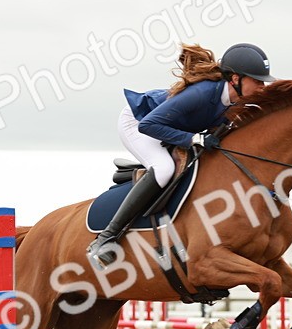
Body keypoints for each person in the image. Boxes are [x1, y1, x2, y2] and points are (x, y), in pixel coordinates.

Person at [87, 42, 276, 268]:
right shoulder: (202, 93)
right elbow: (148, 125)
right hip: (137, 122)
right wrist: (194, 139)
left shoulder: (233, 101)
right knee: (165, 168)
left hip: (169, 127)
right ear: (235, 79)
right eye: (257, 81)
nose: (263, 87)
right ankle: (107, 238)